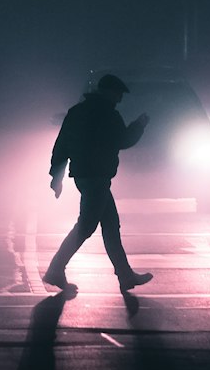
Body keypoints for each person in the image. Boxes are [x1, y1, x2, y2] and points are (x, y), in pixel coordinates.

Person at [43, 73, 154, 294]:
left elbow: (62, 145)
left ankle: (125, 275)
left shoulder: (77, 112)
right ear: (110, 93)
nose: (120, 99)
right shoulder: (108, 114)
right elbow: (124, 140)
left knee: (110, 225)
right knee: (87, 226)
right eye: (119, 94)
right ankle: (56, 269)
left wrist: (56, 177)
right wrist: (139, 125)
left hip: (85, 176)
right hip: (98, 178)